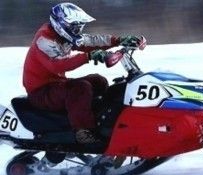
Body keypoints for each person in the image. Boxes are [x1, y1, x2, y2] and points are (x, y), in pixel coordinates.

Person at [23, 2, 141, 144]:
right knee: (81, 88)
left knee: (99, 81)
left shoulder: (65, 36)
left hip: (56, 84)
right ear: (61, 24)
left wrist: (119, 40)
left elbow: (90, 41)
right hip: (40, 92)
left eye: (79, 27)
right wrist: (89, 56)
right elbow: (59, 64)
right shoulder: (44, 40)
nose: (78, 31)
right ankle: (83, 132)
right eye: (75, 27)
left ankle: (103, 121)